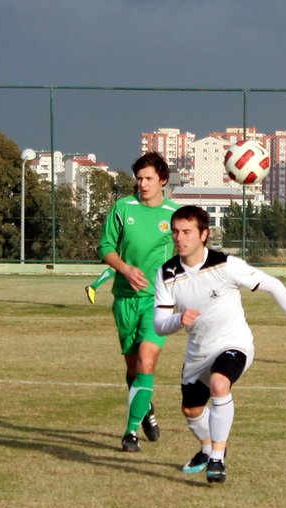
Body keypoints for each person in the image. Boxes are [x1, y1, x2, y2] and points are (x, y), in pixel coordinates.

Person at [153, 205, 286, 484]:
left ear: (203, 234)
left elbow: (273, 284)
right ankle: (207, 447)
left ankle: (217, 458)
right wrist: (179, 319)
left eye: (187, 232)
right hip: (197, 353)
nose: (179, 238)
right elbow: (159, 324)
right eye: (176, 232)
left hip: (234, 344)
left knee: (219, 384)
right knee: (191, 411)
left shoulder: (226, 265)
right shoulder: (166, 274)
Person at [97, 152, 180, 451]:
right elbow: (105, 246)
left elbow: (188, 254)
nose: (142, 184)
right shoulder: (122, 208)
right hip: (124, 300)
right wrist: (125, 269)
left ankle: (130, 432)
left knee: (147, 359)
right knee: (133, 369)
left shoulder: (175, 214)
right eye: (139, 178)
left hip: (158, 302)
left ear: (163, 180)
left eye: (148, 179)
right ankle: (144, 407)